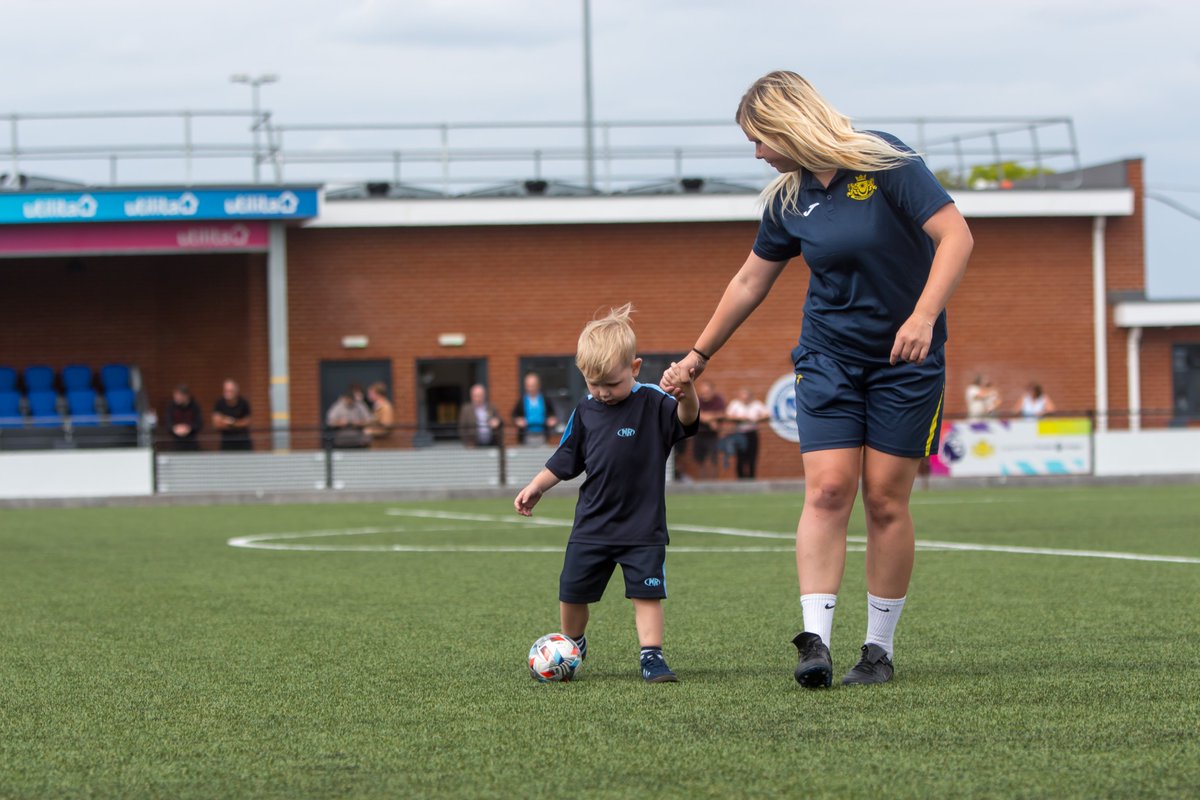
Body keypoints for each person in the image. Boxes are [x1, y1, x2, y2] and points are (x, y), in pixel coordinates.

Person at [660, 71, 973, 688]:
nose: (757, 154)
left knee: (884, 498)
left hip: (906, 361)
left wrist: (922, 315)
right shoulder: (787, 199)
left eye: (759, 139)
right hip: (827, 358)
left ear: (787, 125)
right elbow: (749, 281)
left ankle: (877, 651)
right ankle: (816, 644)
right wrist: (698, 355)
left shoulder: (885, 160)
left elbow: (955, 237)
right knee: (828, 490)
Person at [514, 304, 700, 683]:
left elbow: (688, 420)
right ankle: (573, 643)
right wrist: (537, 486)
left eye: (611, 384)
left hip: (642, 527)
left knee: (647, 595)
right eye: (593, 384)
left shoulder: (654, 402)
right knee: (572, 592)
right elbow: (566, 456)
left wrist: (687, 394)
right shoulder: (586, 410)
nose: (602, 393)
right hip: (592, 525)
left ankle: (652, 656)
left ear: (634, 367)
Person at [724, 387, 770, 479]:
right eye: (743, 397)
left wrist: (757, 419)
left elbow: (767, 415)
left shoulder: (756, 404)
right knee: (740, 457)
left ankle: (751, 479)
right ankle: (740, 479)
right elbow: (728, 416)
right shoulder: (735, 404)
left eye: (747, 397)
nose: (745, 399)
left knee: (752, 457)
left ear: (750, 397)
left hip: (752, 433)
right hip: (739, 433)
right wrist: (739, 419)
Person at [511, 372, 559, 445]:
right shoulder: (522, 401)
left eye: (532, 386)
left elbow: (552, 414)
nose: (530, 389)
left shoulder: (545, 400)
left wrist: (552, 419)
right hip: (526, 435)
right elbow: (514, 415)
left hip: (542, 434)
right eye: (528, 386)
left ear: (538, 386)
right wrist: (518, 420)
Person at [692, 381, 726, 479]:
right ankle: (702, 483)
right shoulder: (696, 399)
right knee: (700, 461)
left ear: (712, 391)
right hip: (698, 434)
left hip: (713, 435)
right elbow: (694, 413)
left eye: (706, 392)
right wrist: (710, 420)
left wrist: (709, 417)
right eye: (702, 392)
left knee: (713, 460)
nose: (704, 394)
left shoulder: (719, 400)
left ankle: (713, 483)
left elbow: (723, 414)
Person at [212, 379, 253, 451]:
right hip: (226, 442)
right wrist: (237, 423)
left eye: (230, 391)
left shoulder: (243, 403)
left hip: (243, 442)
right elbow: (217, 424)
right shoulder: (219, 403)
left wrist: (230, 422)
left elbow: (247, 422)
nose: (228, 393)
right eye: (226, 391)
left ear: (236, 391)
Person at [165, 384, 203, 451]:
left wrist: (188, 428)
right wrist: (175, 428)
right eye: (175, 395)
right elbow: (168, 423)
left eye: (178, 396)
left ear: (186, 396)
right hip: (175, 443)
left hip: (191, 443)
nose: (176, 398)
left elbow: (199, 423)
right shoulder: (171, 406)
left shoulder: (195, 406)